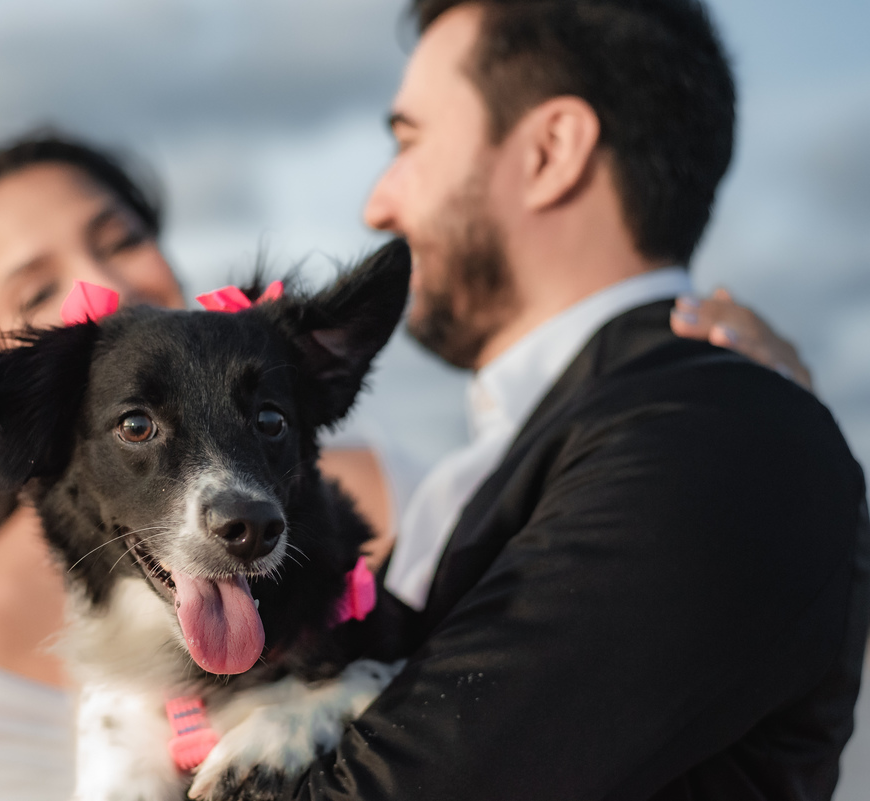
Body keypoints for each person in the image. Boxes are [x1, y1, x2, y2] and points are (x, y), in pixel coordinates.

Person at [0, 121, 814, 801]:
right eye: (38, 281)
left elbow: (572, 535)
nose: (98, 285)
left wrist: (747, 404)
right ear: (2, 350)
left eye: (119, 238)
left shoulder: (383, 477)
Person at [267, 1, 868, 799]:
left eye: (408, 142)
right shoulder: (613, 427)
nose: (378, 205)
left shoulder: (714, 437)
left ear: (551, 151)